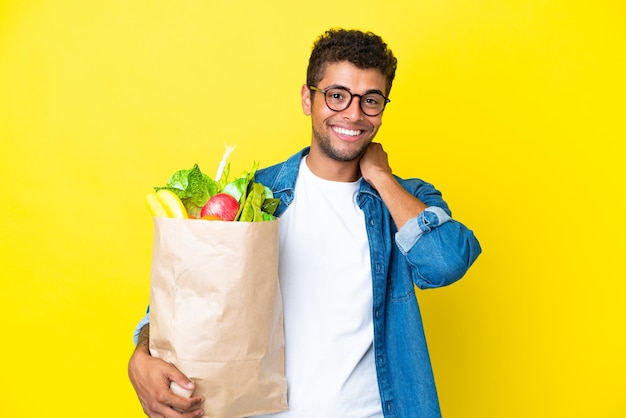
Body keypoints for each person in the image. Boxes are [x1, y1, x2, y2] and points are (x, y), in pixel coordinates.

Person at [128, 28, 481, 418]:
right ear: (306, 98)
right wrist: (141, 355)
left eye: (371, 100)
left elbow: (445, 262)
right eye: (336, 95)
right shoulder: (253, 195)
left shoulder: (404, 200)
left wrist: (381, 178)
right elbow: (183, 300)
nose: (353, 113)